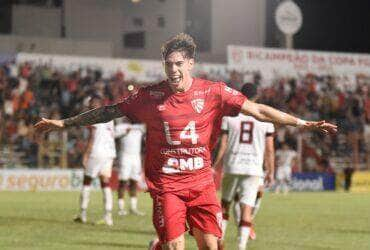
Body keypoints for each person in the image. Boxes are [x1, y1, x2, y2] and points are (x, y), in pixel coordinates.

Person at [34, 33, 337, 250]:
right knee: (176, 246)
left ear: (191, 63)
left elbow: (257, 110)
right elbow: (109, 111)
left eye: (179, 63)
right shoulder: (149, 96)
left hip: (202, 184)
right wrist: (64, 123)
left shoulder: (214, 92)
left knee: (211, 245)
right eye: (168, 63)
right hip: (167, 186)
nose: (173, 69)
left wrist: (303, 123)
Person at [213, 83, 275, 250]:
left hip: (232, 165)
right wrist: (270, 171)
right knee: (246, 209)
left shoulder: (230, 116)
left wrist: (215, 165)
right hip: (254, 168)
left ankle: (219, 240)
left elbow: (223, 145)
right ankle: (241, 246)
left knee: (225, 206)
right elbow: (270, 150)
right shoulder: (266, 119)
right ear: (257, 96)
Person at [73, 95, 116, 226]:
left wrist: (86, 154)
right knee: (105, 182)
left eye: (90, 103)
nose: (89, 106)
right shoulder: (109, 117)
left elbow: (92, 137)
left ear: (95, 104)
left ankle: (82, 213)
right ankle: (108, 216)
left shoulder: (94, 117)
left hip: (96, 152)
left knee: (87, 181)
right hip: (109, 153)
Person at [115, 120, 146, 216]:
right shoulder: (121, 126)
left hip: (136, 157)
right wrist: (124, 132)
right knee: (123, 182)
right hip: (125, 156)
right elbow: (113, 136)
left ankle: (133, 208)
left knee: (134, 182)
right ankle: (121, 208)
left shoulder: (140, 127)